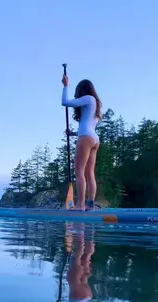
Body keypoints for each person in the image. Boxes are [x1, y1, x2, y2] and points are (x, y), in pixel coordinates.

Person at [61, 75, 102, 211]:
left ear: (83, 90)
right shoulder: (95, 105)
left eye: (78, 90)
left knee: (79, 172)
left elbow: (65, 102)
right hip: (94, 139)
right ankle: (90, 205)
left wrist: (65, 85)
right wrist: (72, 133)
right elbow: (87, 125)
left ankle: (80, 205)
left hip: (86, 137)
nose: (77, 93)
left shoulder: (88, 98)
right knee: (89, 172)